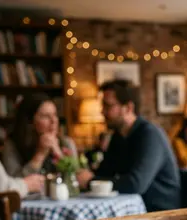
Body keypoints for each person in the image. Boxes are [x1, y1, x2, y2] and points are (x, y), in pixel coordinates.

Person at [76, 79, 180, 213]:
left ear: (128, 108)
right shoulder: (118, 136)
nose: (102, 112)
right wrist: (87, 176)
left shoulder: (150, 135)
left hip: (161, 216)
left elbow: (136, 184)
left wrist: (91, 181)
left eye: (108, 106)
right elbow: (104, 173)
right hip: (130, 212)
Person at [3, 93, 77, 177]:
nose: (54, 121)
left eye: (55, 114)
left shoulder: (67, 142)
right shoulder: (12, 145)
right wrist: (40, 154)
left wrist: (59, 154)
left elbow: (75, 179)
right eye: (46, 116)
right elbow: (13, 186)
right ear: (30, 122)